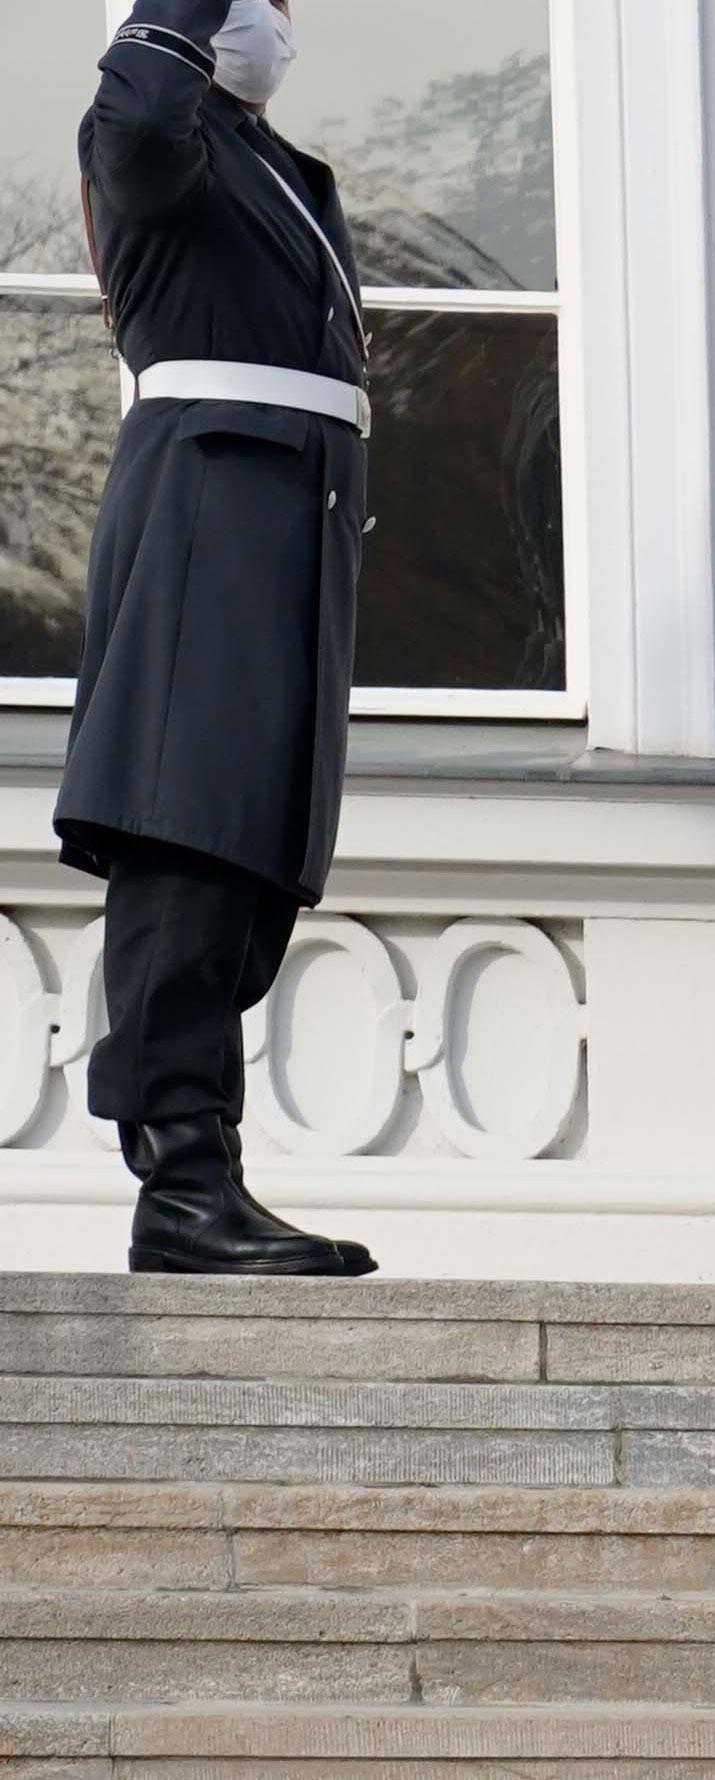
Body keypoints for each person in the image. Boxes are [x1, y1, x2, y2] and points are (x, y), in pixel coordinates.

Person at [61, 0, 375, 1278]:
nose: (275, 18)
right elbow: (138, 112)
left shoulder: (262, 161)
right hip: (210, 510)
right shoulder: (155, 127)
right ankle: (182, 1186)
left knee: (243, 852)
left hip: (284, 521)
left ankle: (207, 1177)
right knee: (187, 837)